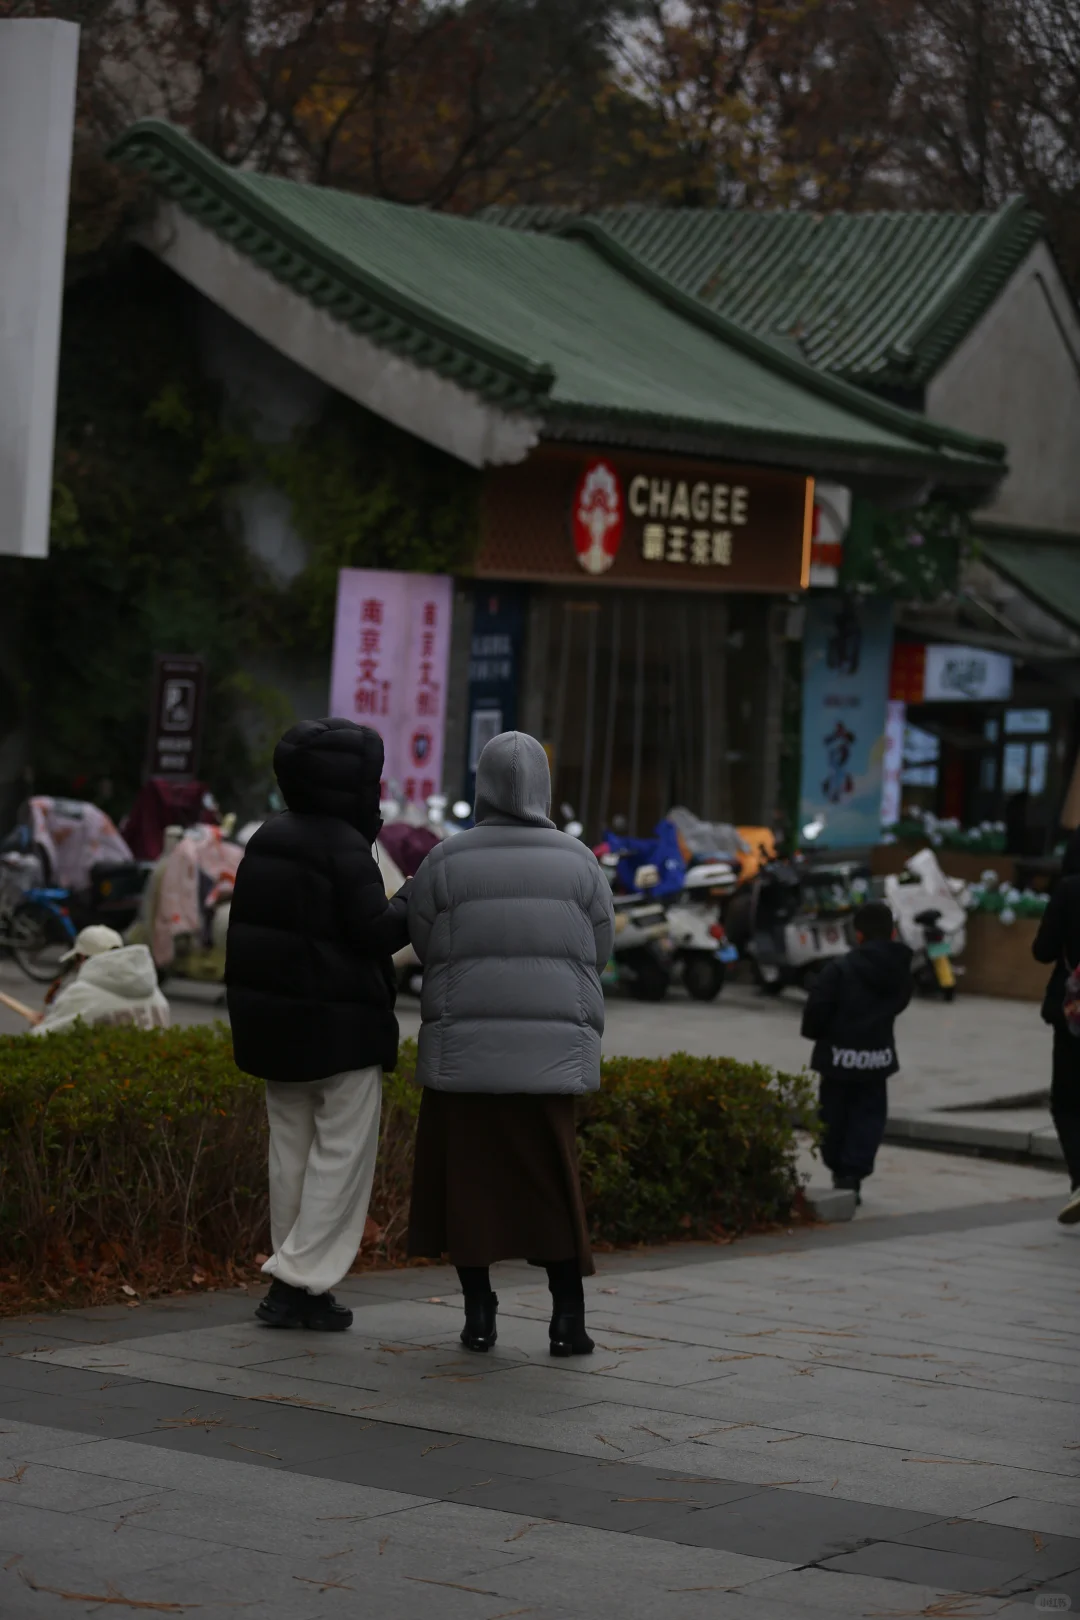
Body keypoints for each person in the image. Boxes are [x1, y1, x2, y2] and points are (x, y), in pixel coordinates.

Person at [406, 730, 615, 1357]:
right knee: (553, 1188)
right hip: (550, 1062)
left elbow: (422, 942)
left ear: (484, 784)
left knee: (469, 1189)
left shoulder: (445, 858)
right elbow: (599, 949)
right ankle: (567, 1321)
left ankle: (478, 1315)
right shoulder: (579, 861)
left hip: (463, 1058)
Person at [226, 719, 411, 1332]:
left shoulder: (265, 837)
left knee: (291, 1155)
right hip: (342, 1032)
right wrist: (414, 899)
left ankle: (299, 1288)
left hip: (274, 1032)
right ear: (350, 783)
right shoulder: (345, 845)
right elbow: (377, 931)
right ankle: (298, 1280)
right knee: (341, 1156)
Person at [801, 901, 913, 1204]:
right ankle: (853, 1173)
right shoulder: (900, 970)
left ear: (858, 935)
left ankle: (841, 1171)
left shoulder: (839, 969)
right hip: (876, 1058)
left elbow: (817, 1011)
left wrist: (818, 1033)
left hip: (838, 1058)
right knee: (868, 1115)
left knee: (834, 1114)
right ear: (891, 933)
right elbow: (900, 1003)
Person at [1032, 828, 1080, 1224]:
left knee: (1066, 1101)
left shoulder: (1069, 889)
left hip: (1073, 1014)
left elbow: (1042, 950)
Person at [31, 925, 170, 1035]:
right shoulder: (154, 993)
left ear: (82, 958)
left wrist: (39, 1026)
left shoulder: (81, 994)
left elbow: (44, 1037)